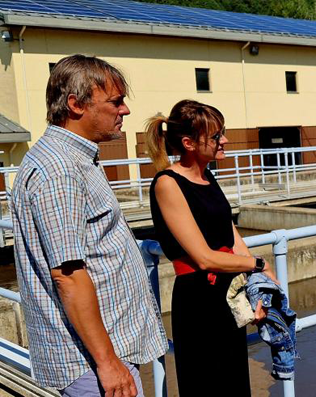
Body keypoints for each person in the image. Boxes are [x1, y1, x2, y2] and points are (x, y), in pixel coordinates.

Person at [10, 54, 167, 396]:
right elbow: (67, 276)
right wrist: (108, 362)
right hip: (93, 363)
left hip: (103, 353)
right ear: (75, 105)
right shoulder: (60, 170)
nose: (124, 110)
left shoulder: (75, 159)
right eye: (116, 102)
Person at [145, 99, 276, 396]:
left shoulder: (207, 176)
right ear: (189, 143)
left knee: (234, 384)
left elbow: (231, 236)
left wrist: (261, 284)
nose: (224, 141)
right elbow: (203, 258)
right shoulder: (168, 183)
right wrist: (257, 264)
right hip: (200, 303)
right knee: (207, 385)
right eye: (216, 136)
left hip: (229, 296)